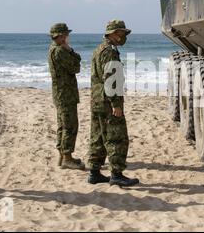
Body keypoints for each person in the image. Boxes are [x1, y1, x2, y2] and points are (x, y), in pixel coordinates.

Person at [87, 20, 139, 186]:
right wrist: (116, 104)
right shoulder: (109, 52)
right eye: (121, 33)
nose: (123, 37)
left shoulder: (98, 49)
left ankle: (94, 172)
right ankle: (116, 174)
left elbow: (96, 77)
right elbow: (111, 80)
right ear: (113, 33)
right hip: (108, 102)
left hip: (97, 100)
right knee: (117, 138)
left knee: (98, 137)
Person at [48, 23, 84, 170]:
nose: (67, 37)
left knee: (63, 125)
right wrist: (70, 50)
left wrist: (69, 49)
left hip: (61, 93)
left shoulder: (53, 49)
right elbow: (76, 67)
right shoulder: (59, 51)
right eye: (66, 35)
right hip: (65, 94)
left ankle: (62, 156)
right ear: (61, 37)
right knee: (69, 125)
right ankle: (67, 158)